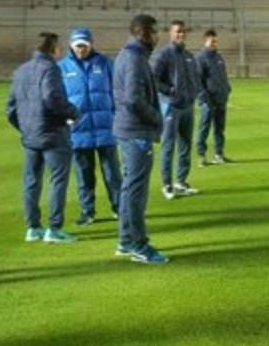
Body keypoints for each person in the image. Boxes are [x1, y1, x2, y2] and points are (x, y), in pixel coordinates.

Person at [7, 32, 78, 243]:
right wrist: (73, 113)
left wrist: (25, 128)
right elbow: (52, 99)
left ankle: (33, 227)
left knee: (31, 181)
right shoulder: (51, 69)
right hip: (53, 133)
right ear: (53, 48)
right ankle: (54, 229)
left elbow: (10, 108)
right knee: (58, 180)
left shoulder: (20, 71)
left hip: (31, 135)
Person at [113, 14, 169, 264]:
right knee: (136, 191)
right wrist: (157, 117)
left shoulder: (130, 55)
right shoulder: (134, 59)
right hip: (136, 132)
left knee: (129, 189)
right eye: (155, 32)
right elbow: (134, 99)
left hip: (129, 129)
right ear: (144, 33)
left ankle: (126, 241)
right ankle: (138, 245)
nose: (158, 36)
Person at [59, 27, 121, 225]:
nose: (81, 49)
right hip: (78, 131)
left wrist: (116, 116)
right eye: (78, 46)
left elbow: (117, 91)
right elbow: (58, 98)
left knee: (112, 174)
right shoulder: (62, 68)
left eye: (84, 46)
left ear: (91, 44)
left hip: (106, 129)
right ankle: (87, 212)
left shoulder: (105, 63)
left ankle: (120, 208)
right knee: (84, 176)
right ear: (71, 45)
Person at [151, 20, 201, 199]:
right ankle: (167, 185)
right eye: (178, 31)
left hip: (187, 106)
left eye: (183, 31)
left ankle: (181, 182)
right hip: (171, 106)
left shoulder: (189, 56)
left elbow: (195, 78)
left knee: (186, 145)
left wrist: (194, 93)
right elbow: (154, 79)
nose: (181, 34)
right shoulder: (164, 54)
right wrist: (170, 91)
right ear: (171, 33)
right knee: (168, 146)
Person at [196, 29, 233, 167]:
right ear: (205, 41)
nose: (215, 44)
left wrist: (227, 89)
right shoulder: (200, 58)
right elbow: (197, 80)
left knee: (219, 129)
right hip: (208, 101)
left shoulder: (218, 57)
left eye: (216, 41)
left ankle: (219, 154)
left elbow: (223, 76)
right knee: (204, 129)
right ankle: (201, 156)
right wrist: (204, 98)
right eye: (212, 41)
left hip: (221, 99)